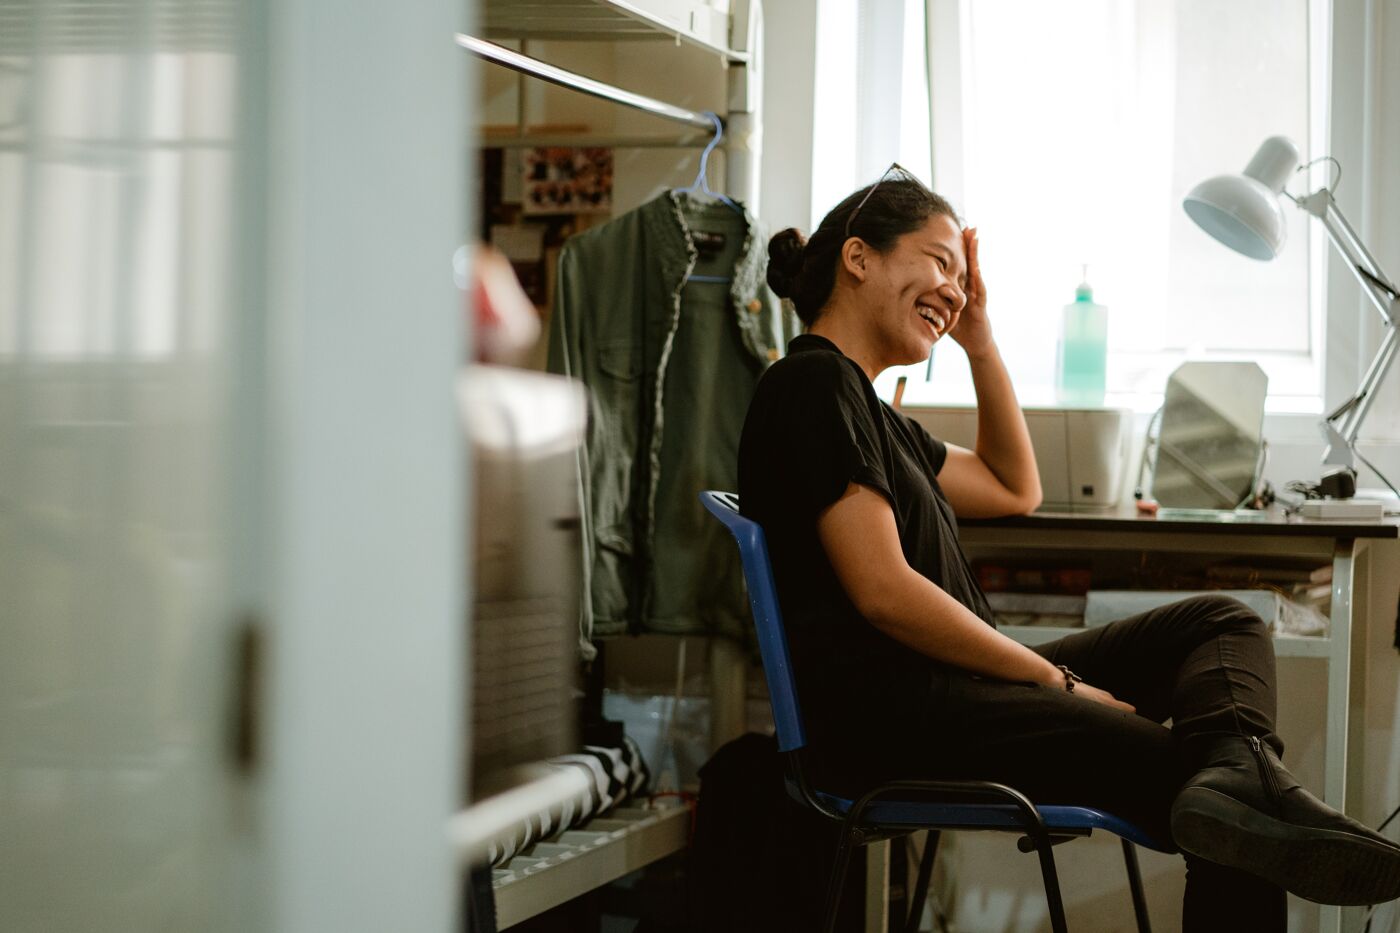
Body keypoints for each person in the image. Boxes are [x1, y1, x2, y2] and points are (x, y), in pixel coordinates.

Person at [736, 166, 1400, 930]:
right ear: (859, 258)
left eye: (962, 274)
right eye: (939, 261)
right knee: (1215, 794)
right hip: (898, 720)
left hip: (950, 695)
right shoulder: (811, 387)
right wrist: (1057, 680)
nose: (955, 288)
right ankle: (1246, 785)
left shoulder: (872, 412)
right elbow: (883, 590)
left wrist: (980, 343)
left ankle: (1245, 775)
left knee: (1223, 623)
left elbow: (1013, 485)